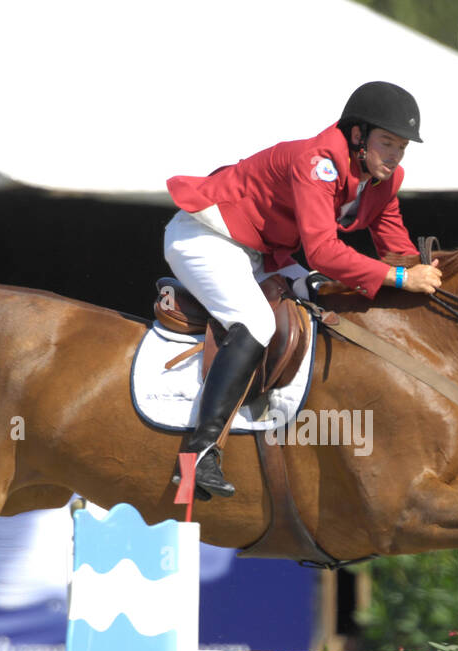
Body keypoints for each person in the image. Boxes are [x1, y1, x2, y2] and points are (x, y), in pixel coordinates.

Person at [164, 80, 443, 499]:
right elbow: (324, 251)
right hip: (205, 236)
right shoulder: (320, 161)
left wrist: (419, 275)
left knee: (318, 298)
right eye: (387, 143)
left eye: (402, 147)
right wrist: (401, 280)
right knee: (256, 322)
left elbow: (396, 248)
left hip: (259, 253)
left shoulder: (386, 178)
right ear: (357, 136)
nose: (395, 155)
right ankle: (200, 452)